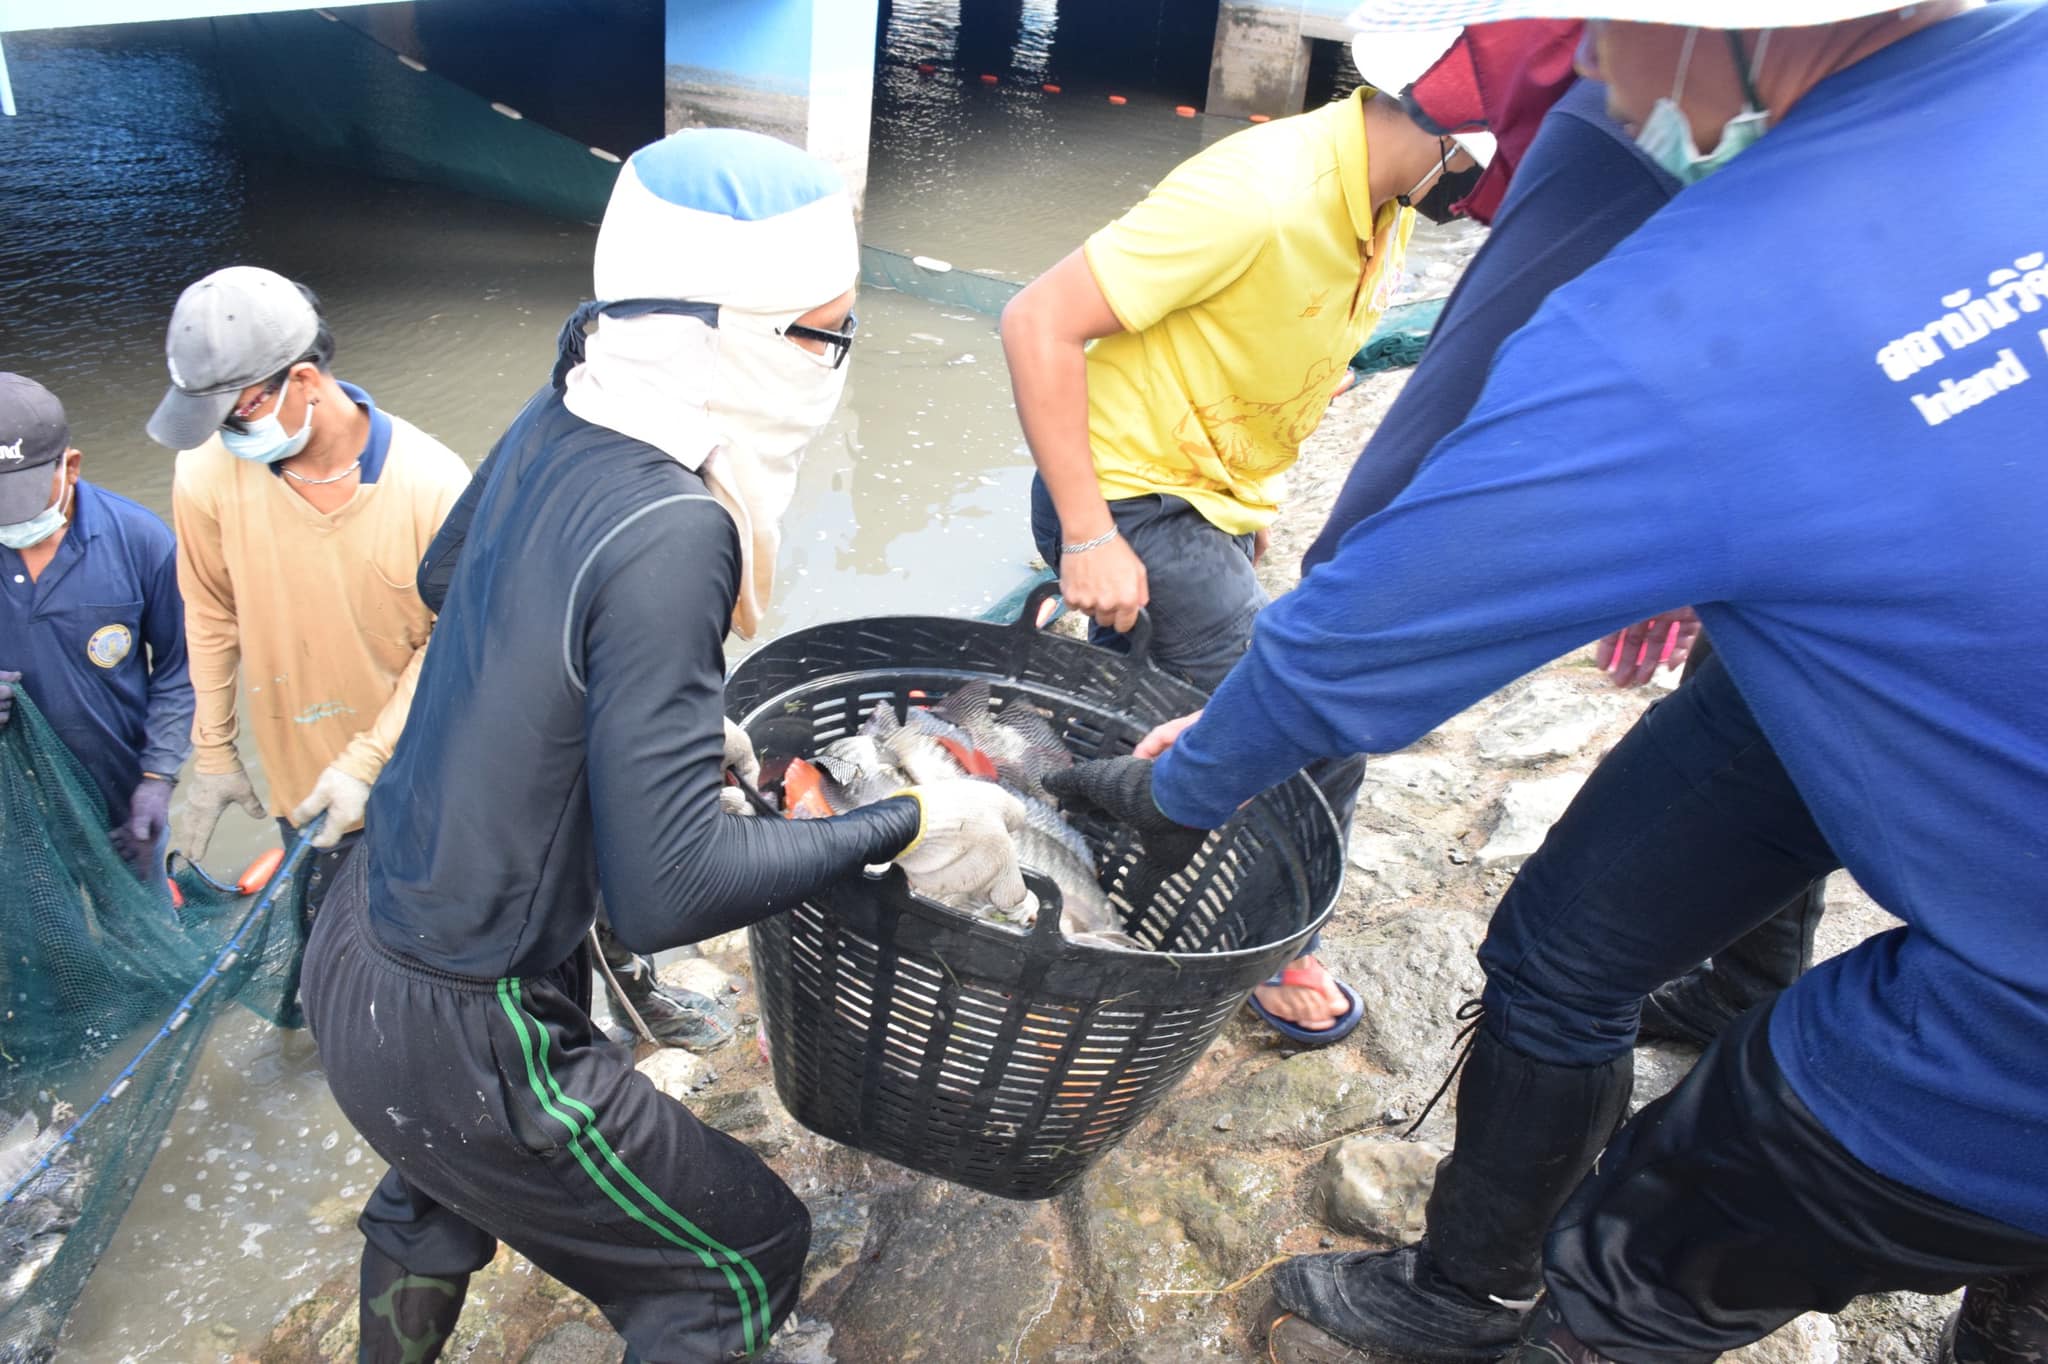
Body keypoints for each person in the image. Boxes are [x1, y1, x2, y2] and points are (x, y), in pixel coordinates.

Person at [1045, 4, 2048, 1361]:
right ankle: (1473, 1279)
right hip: (1929, 653)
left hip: (2015, 1020)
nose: (1580, 59)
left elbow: (1370, 630)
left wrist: (1184, 782)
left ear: (1713, 36)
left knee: (1644, 1270)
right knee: (1568, 952)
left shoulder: (1695, 312)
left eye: (1598, 28)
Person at [300, 129, 1034, 1364]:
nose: (832, 365)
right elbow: (666, 888)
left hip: (355, 949)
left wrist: (642, 702)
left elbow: (449, 572)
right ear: (722, 331)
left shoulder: (570, 397)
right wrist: (912, 820)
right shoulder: (677, 521)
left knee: (436, 1189)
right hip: (477, 1027)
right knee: (737, 1255)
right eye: (820, 333)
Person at [1319, 29, 1824, 1048]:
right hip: (1832, 527)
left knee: (1557, 958)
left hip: (1886, 579)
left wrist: (1316, 645)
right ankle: (1747, 986)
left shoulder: (1623, 119)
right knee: (1770, 758)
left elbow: (1415, 464)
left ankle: (1523, 1214)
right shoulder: (1918, 99)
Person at [1000, 73, 1468, 1043]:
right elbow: (1033, 320)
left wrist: (1244, 497)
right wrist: (1090, 536)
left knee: (1172, 704)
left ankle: (1054, 851)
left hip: (1202, 503)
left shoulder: (1386, 206)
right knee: (1309, 716)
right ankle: (1269, 952)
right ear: (1462, 118)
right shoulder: (1257, 192)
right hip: (1131, 497)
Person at [0, 372, 191, 881]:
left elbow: (182, 669)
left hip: (121, 802)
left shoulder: (140, 540)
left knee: (138, 934)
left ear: (72, 466)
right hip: (12, 810)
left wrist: (157, 777)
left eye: (25, 497)